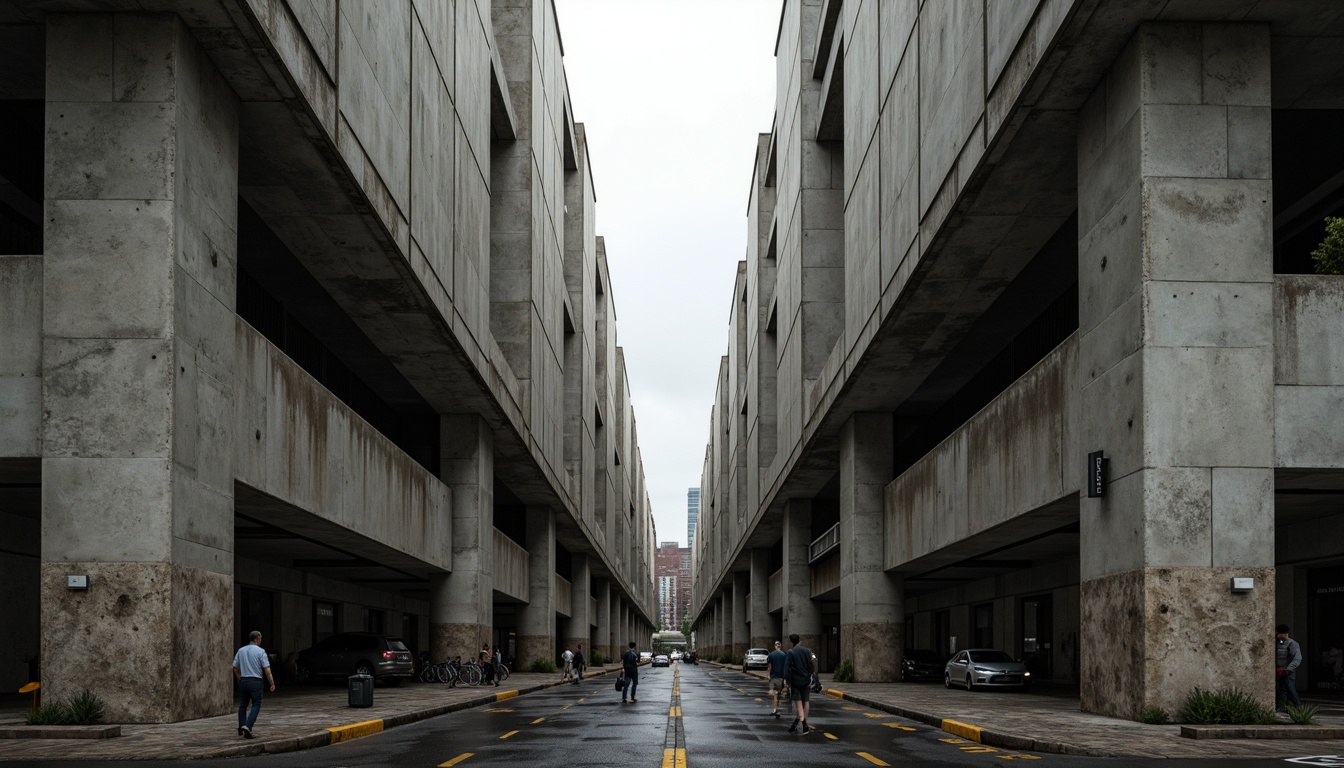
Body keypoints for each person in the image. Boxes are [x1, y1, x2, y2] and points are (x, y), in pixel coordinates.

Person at [232, 630, 275, 739]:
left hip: (244, 681)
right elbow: (267, 670)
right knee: (256, 703)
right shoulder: (260, 651)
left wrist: (239, 678)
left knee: (243, 705)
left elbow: (235, 667)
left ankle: (241, 726)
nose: (261, 640)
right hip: (255, 681)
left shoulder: (241, 650)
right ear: (257, 639)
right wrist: (271, 682)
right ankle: (248, 726)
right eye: (260, 638)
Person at [784, 633, 816, 734]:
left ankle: (804, 725)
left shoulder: (790, 652)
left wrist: (787, 682)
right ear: (799, 640)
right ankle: (799, 723)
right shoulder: (807, 651)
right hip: (806, 680)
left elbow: (787, 669)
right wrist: (811, 678)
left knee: (798, 704)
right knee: (806, 701)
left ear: (791, 641)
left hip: (795, 681)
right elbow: (813, 663)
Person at [1276, 624, 1303, 710]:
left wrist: (1288, 669)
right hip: (1279, 671)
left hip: (1288, 672)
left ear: (1285, 633)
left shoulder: (1293, 644)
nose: (1278, 635)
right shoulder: (1279, 643)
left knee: (1291, 690)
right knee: (1280, 691)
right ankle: (1280, 709)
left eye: (1279, 633)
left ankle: (1299, 709)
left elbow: (1297, 658)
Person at [766, 640, 788, 718]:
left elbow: (770, 666)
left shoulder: (771, 655)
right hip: (782, 677)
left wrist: (768, 675)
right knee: (778, 693)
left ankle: (776, 709)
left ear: (775, 646)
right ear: (780, 646)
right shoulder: (785, 654)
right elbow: (786, 666)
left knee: (775, 693)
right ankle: (776, 709)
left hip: (774, 677)